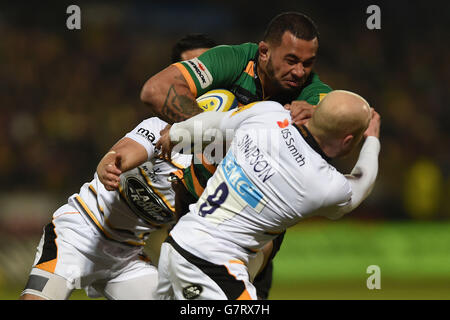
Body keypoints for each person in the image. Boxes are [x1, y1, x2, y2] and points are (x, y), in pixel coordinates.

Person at [142, 11, 332, 299]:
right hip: (192, 210)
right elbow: (156, 90)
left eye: (308, 63)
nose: (300, 72)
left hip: (253, 228)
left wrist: (321, 115)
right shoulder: (234, 60)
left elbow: (353, 118)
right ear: (264, 52)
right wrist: (209, 130)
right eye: (291, 60)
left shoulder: (312, 93)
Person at [155, 90, 381, 300]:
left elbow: (216, 122)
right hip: (210, 263)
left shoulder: (268, 113)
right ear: (348, 140)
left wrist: (176, 132)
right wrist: (372, 139)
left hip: (179, 242)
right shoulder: (325, 186)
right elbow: (363, 180)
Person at [20, 117, 191, 300]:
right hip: (78, 234)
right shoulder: (162, 130)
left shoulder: (214, 180)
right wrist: (110, 163)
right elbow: (123, 152)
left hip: (126, 258)